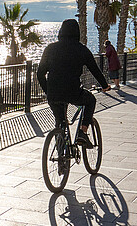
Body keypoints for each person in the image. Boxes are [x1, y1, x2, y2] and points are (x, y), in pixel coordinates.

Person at [37, 19, 110, 149]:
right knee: (90, 100)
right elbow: (95, 70)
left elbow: (39, 74)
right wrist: (105, 85)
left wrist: (48, 91)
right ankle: (83, 131)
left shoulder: (50, 49)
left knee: (60, 122)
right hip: (73, 92)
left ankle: (61, 159)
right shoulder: (82, 50)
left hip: (53, 94)